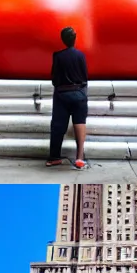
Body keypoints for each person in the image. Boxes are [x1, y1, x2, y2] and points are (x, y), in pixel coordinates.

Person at [47, 26, 89, 169]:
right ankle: (79, 158)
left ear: (62, 40)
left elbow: (54, 78)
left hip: (62, 95)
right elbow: (85, 77)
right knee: (80, 123)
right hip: (79, 93)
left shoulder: (57, 56)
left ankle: (54, 157)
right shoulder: (81, 55)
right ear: (74, 38)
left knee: (58, 126)